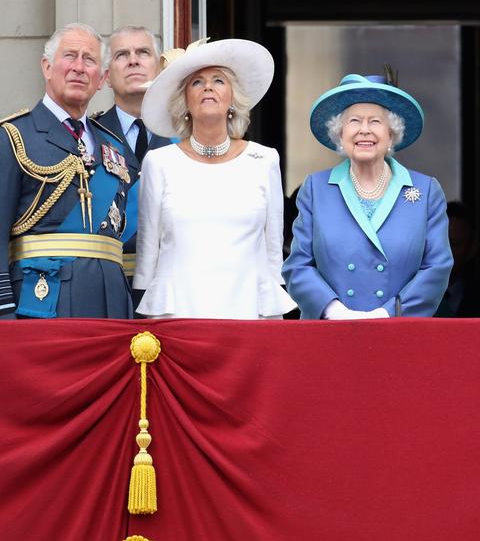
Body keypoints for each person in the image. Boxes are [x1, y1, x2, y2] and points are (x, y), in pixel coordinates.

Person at [133, 38, 296, 319]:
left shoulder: (264, 159)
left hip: (247, 313)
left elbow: (272, 256)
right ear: (184, 102)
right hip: (178, 315)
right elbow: (148, 254)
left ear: (232, 97)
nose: (208, 86)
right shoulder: (159, 162)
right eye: (196, 82)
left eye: (218, 80)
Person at [283, 73, 453, 319]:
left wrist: (387, 313)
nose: (364, 130)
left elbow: (437, 268)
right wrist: (334, 311)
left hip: (400, 332)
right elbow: (298, 266)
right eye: (354, 121)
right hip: (329, 333)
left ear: (392, 134)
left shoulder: (425, 190)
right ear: (340, 135)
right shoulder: (316, 188)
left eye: (375, 121)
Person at [0, 23, 137, 319]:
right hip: (41, 302)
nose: (78, 67)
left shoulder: (114, 145)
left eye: (89, 60)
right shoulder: (13, 136)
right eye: (69, 56)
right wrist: (3, 309)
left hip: (110, 302)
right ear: (47, 67)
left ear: (101, 79)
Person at [93, 25, 172, 288]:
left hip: (171, 285)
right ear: (105, 75)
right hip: (107, 285)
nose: (134, 60)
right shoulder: (88, 138)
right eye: (122, 55)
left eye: (143, 52)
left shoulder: (184, 139)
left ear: (160, 70)